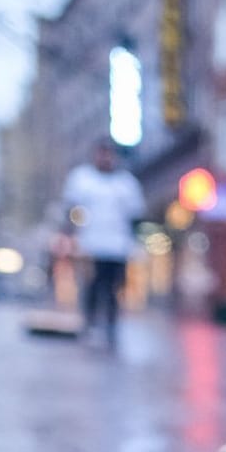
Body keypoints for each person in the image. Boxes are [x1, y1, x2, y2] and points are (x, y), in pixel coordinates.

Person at [62, 139, 145, 348]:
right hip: (89, 245)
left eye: (109, 154)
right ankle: (89, 324)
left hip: (117, 247)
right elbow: (70, 210)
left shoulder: (126, 184)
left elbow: (136, 216)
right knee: (91, 286)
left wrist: (136, 244)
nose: (105, 158)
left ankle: (111, 326)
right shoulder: (81, 179)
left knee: (113, 289)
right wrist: (70, 237)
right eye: (101, 153)